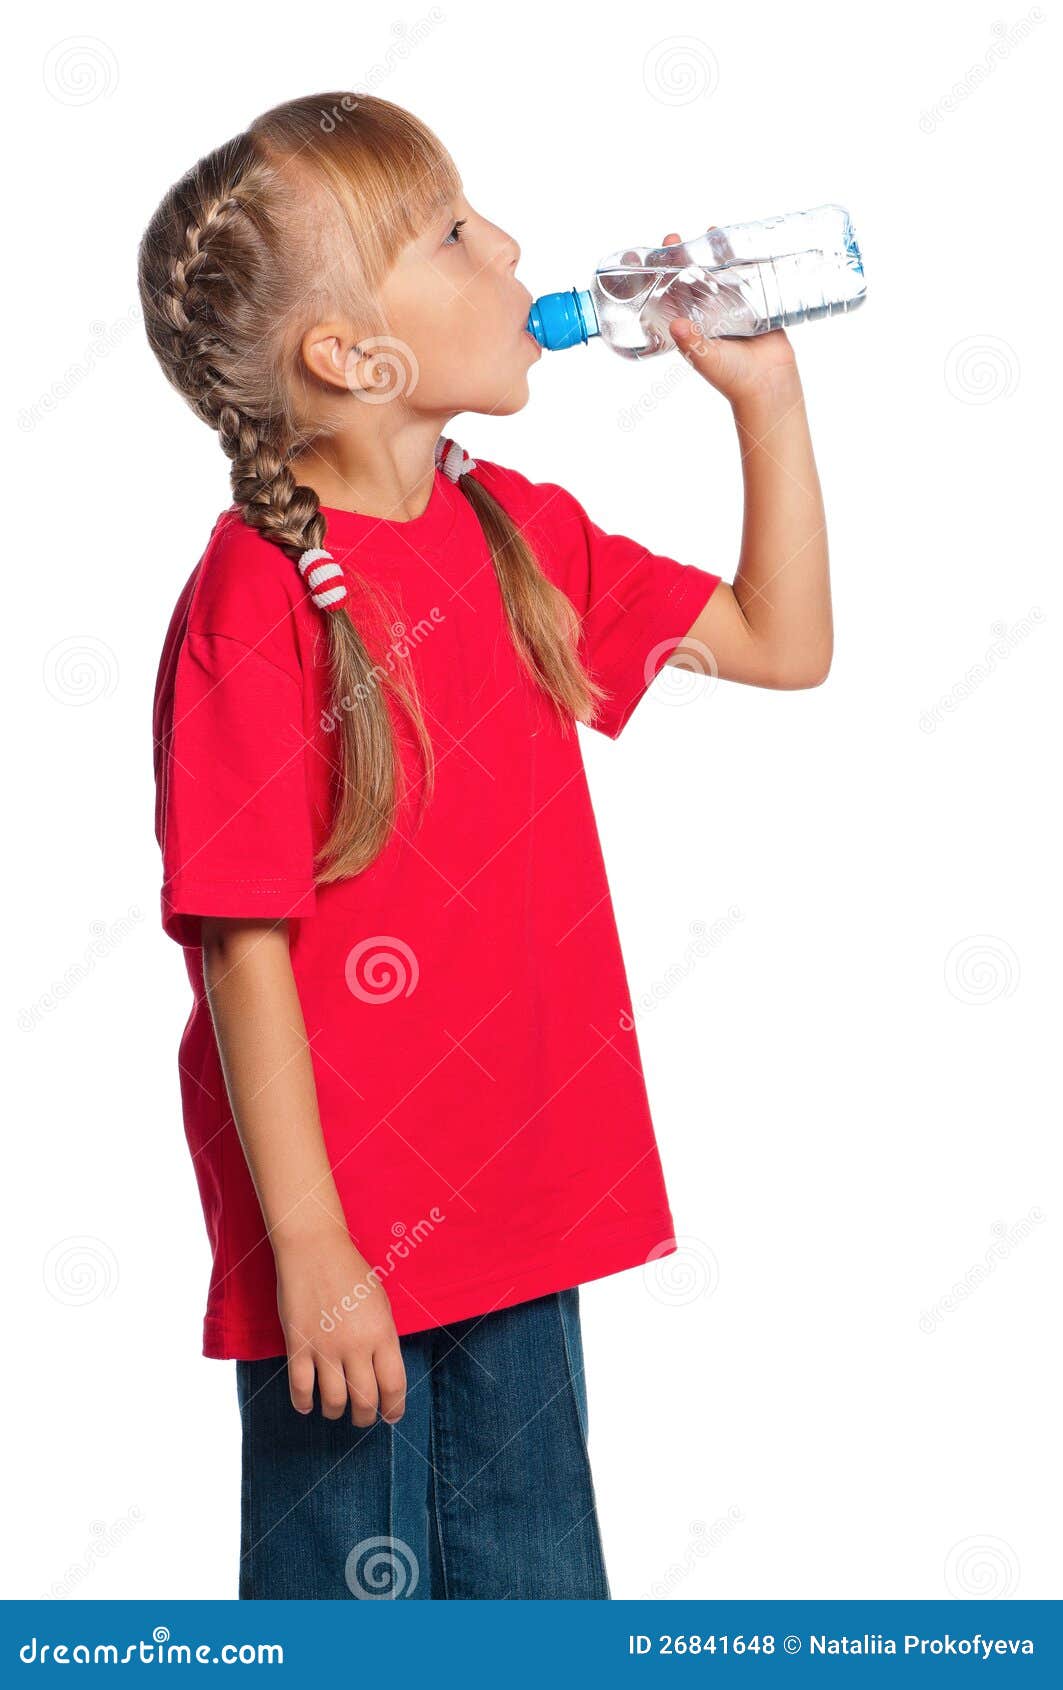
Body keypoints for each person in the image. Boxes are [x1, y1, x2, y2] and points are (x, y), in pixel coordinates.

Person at [139, 91, 832, 1601]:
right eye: (452, 234)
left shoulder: (515, 528)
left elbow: (785, 642)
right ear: (348, 355)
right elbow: (242, 943)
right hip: (350, 1273)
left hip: (522, 1225)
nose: (510, 246)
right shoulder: (257, 599)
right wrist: (313, 1248)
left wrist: (763, 399)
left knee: (538, 1617)